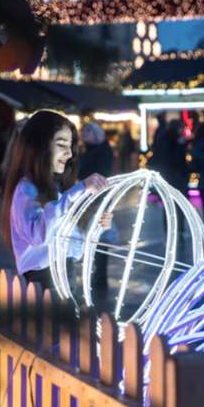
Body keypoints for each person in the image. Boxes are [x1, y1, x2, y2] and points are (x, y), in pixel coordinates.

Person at [0, 110, 111, 289]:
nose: (69, 154)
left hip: (66, 276)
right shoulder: (26, 189)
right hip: (42, 280)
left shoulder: (58, 189)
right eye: (61, 144)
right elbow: (39, 235)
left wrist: (96, 225)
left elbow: (74, 245)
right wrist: (79, 190)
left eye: (70, 146)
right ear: (40, 146)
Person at [79, 122, 114, 288]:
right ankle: (97, 274)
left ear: (96, 134)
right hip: (90, 198)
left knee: (99, 234)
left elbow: (100, 174)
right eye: (83, 132)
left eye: (87, 132)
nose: (84, 135)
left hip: (98, 199)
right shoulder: (89, 150)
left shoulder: (101, 151)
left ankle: (99, 275)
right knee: (92, 234)